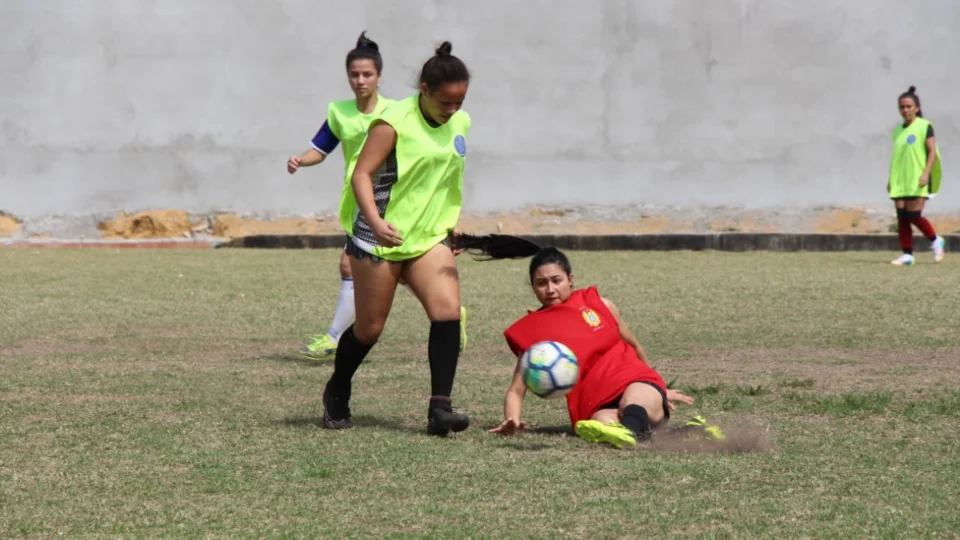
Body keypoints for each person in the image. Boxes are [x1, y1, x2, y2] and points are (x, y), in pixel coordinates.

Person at [320, 41, 473, 436]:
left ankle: (440, 409)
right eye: (445, 102)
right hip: (380, 236)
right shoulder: (392, 123)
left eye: (459, 102)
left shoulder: (461, 123)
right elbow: (361, 175)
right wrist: (375, 220)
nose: (452, 110)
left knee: (447, 313)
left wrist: (450, 225)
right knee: (369, 330)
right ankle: (337, 389)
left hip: (427, 238)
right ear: (423, 90)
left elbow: (446, 180)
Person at [285, 33, 469, 360]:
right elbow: (321, 148)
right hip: (359, 200)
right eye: (354, 74)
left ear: (379, 77)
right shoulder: (340, 112)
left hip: (390, 208)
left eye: (367, 74)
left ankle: (334, 335)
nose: (360, 80)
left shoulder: (397, 112)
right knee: (378, 289)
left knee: (351, 267)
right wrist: (301, 159)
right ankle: (439, 305)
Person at [488, 247, 723, 449]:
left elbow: (633, 345)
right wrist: (512, 420)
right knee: (603, 421)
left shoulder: (600, 305)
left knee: (632, 401)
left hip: (635, 383)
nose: (550, 289)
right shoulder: (534, 333)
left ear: (570, 279)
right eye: (541, 283)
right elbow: (516, 390)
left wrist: (659, 388)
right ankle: (690, 432)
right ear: (533, 288)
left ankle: (632, 431)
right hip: (596, 401)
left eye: (556, 280)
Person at [887, 86, 945, 266]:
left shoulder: (924, 126)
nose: (905, 110)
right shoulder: (897, 130)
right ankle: (907, 254)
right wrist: (891, 180)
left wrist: (926, 173)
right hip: (900, 180)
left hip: (918, 178)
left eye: (908, 106)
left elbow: (932, 152)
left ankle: (936, 241)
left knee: (914, 215)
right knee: (901, 216)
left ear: (916, 108)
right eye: (902, 107)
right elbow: (898, 158)